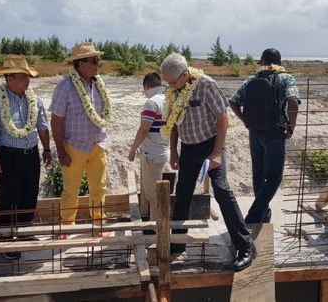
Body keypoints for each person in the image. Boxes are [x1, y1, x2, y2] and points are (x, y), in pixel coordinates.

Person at [160, 53, 256, 272]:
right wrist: (174, 152)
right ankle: (177, 242)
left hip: (212, 143)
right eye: (167, 82)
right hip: (189, 147)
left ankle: (245, 247)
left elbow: (223, 119)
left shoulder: (206, 85)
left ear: (185, 75)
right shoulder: (174, 89)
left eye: (172, 82)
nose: (169, 85)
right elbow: (173, 121)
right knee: (183, 192)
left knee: (222, 190)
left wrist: (216, 154)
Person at [0, 55, 52, 261]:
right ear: (9, 79)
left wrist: (46, 149)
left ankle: (25, 233)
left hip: (31, 155)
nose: (27, 80)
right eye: (22, 76)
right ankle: (7, 242)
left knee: (29, 196)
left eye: (27, 76)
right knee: (9, 200)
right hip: (9, 156)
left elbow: (42, 126)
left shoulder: (34, 100)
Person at [229, 48, 300, 225]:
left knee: (258, 175)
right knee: (274, 177)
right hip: (275, 131)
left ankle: (263, 214)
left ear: (262, 62)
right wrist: (291, 126)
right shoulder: (286, 78)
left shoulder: (253, 79)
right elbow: (292, 101)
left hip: (255, 132)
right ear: (279, 63)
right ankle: (254, 216)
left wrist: (245, 120)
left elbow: (233, 101)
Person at [49, 42, 112, 237]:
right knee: (71, 190)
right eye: (93, 61)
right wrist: (61, 151)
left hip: (98, 144)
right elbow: (56, 120)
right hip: (74, 146)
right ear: (80, 64)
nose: (97, 65)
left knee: (99, 188)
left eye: (97, 60)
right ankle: (67, 226)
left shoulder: (99, 84)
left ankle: (99, 224)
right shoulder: (65, 87)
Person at [127, 72, 169, 222]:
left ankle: (156, 230)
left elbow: (144, 129)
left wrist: (132, 150)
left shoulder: (152, 103)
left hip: (152, 153)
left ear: (147, 87)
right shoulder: (168, 100)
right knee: (160, 193)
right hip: (164, 150)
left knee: (154, 197)